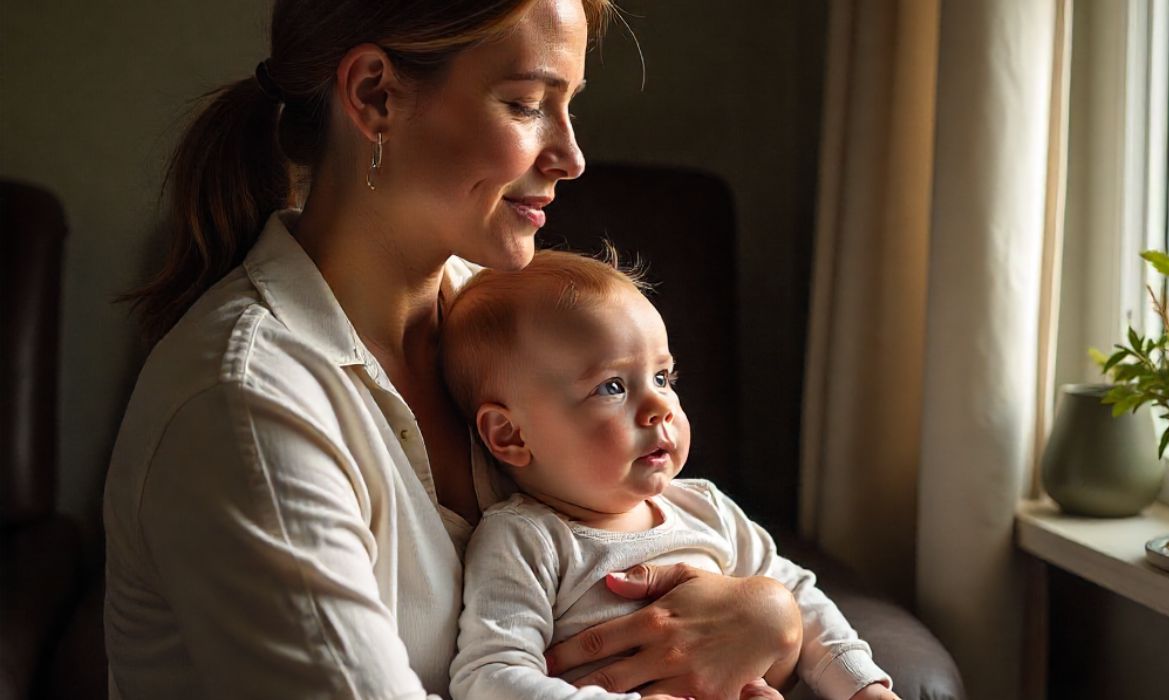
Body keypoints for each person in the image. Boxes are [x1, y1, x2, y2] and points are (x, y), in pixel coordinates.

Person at [104, 0, 817, 698]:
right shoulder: (245, 404)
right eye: (528, 103)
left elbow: (679, 541)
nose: (570, 157)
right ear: (375, 95)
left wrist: (773, 620)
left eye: (569, 104)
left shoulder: (515, 325)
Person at [441, 250, 899, 700]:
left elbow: (797, 596)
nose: (661, 406)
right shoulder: (526, 539)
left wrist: (862, 686)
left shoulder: (705, 507)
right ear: (510, 435)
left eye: (663, 377)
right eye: (613, 386)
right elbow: (490, 677)